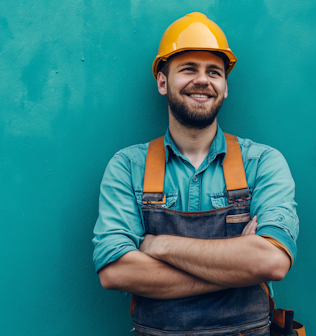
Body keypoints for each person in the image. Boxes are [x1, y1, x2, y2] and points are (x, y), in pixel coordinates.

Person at [92, 12, 298, 336]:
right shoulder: (128, 167)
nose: (202, 80)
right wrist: (239, 269)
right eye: (188, 69)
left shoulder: (262, 162)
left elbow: (271, 263)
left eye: (214, 72)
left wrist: (158, 246)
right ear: (162, 82)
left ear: (225, 87)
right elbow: (115, 272)